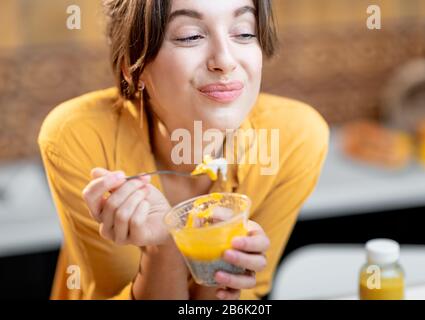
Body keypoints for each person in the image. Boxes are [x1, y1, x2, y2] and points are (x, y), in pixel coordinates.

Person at [38, 0, 329, 300]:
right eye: (191, 36)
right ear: (133, 69)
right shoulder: (78, 136)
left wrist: (221, 262)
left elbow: (238, 299)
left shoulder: (295, 138)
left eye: (244, 32)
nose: (225, 61)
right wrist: (161, 249)